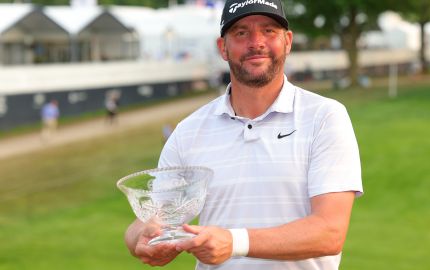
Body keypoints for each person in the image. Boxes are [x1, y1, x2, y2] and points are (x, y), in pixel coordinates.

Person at [124, 1, 363, 270]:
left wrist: (234, 242)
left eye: (269, 31)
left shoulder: (324, 117)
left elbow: (329, 232)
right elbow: (155, 218)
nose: (256, 42)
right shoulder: (189, 131)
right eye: (241, 33)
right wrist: (139, 238)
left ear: (288, 41)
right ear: (222, 48)